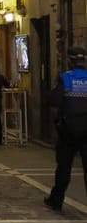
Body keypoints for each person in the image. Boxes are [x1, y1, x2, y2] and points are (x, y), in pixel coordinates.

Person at [44, 47, 87, 212]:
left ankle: (56, 200)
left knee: (64, 166)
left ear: (69, 61)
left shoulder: (65, 78)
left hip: (69, 130)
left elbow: (54, 100)